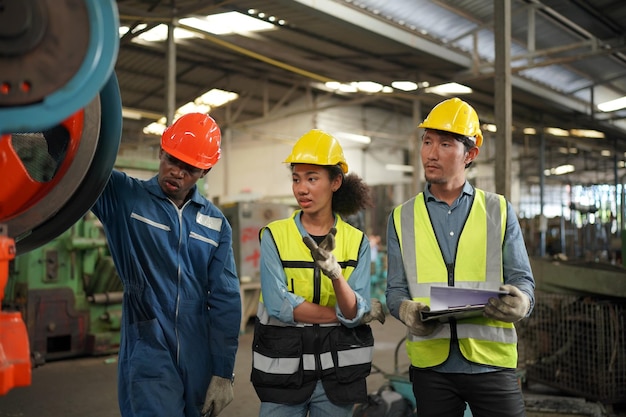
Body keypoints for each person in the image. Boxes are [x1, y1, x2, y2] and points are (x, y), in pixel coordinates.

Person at [385, 98, 535, 417]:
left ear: (470, 154)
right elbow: (394, 289)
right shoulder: (401, 217)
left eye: (445, 143)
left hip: (492, 365)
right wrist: (404, 309)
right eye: (427, 142)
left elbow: (523, 279)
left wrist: (522, 301)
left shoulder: (499, 210)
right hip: (431, 368)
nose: (431, 152)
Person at [91, 113, 241, 417]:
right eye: (173, 160)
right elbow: (78, 168)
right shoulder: (126, 197)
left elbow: (226, 299)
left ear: (205, 171)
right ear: (161, 151)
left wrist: (224, 371)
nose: (177, 172)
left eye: (190, 168)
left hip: (199, 347)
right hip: (148, 338)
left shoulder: (216, 224)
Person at [251, 129, 384, 417]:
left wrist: (337, 276)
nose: (302, 188)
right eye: (296, 179)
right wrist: (348, 315)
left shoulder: (356, 242)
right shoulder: (274, 236)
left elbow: (354, 307)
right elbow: (278, 304)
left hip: (337, 377)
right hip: (283, 373)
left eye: (312, 178)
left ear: (335, 182)